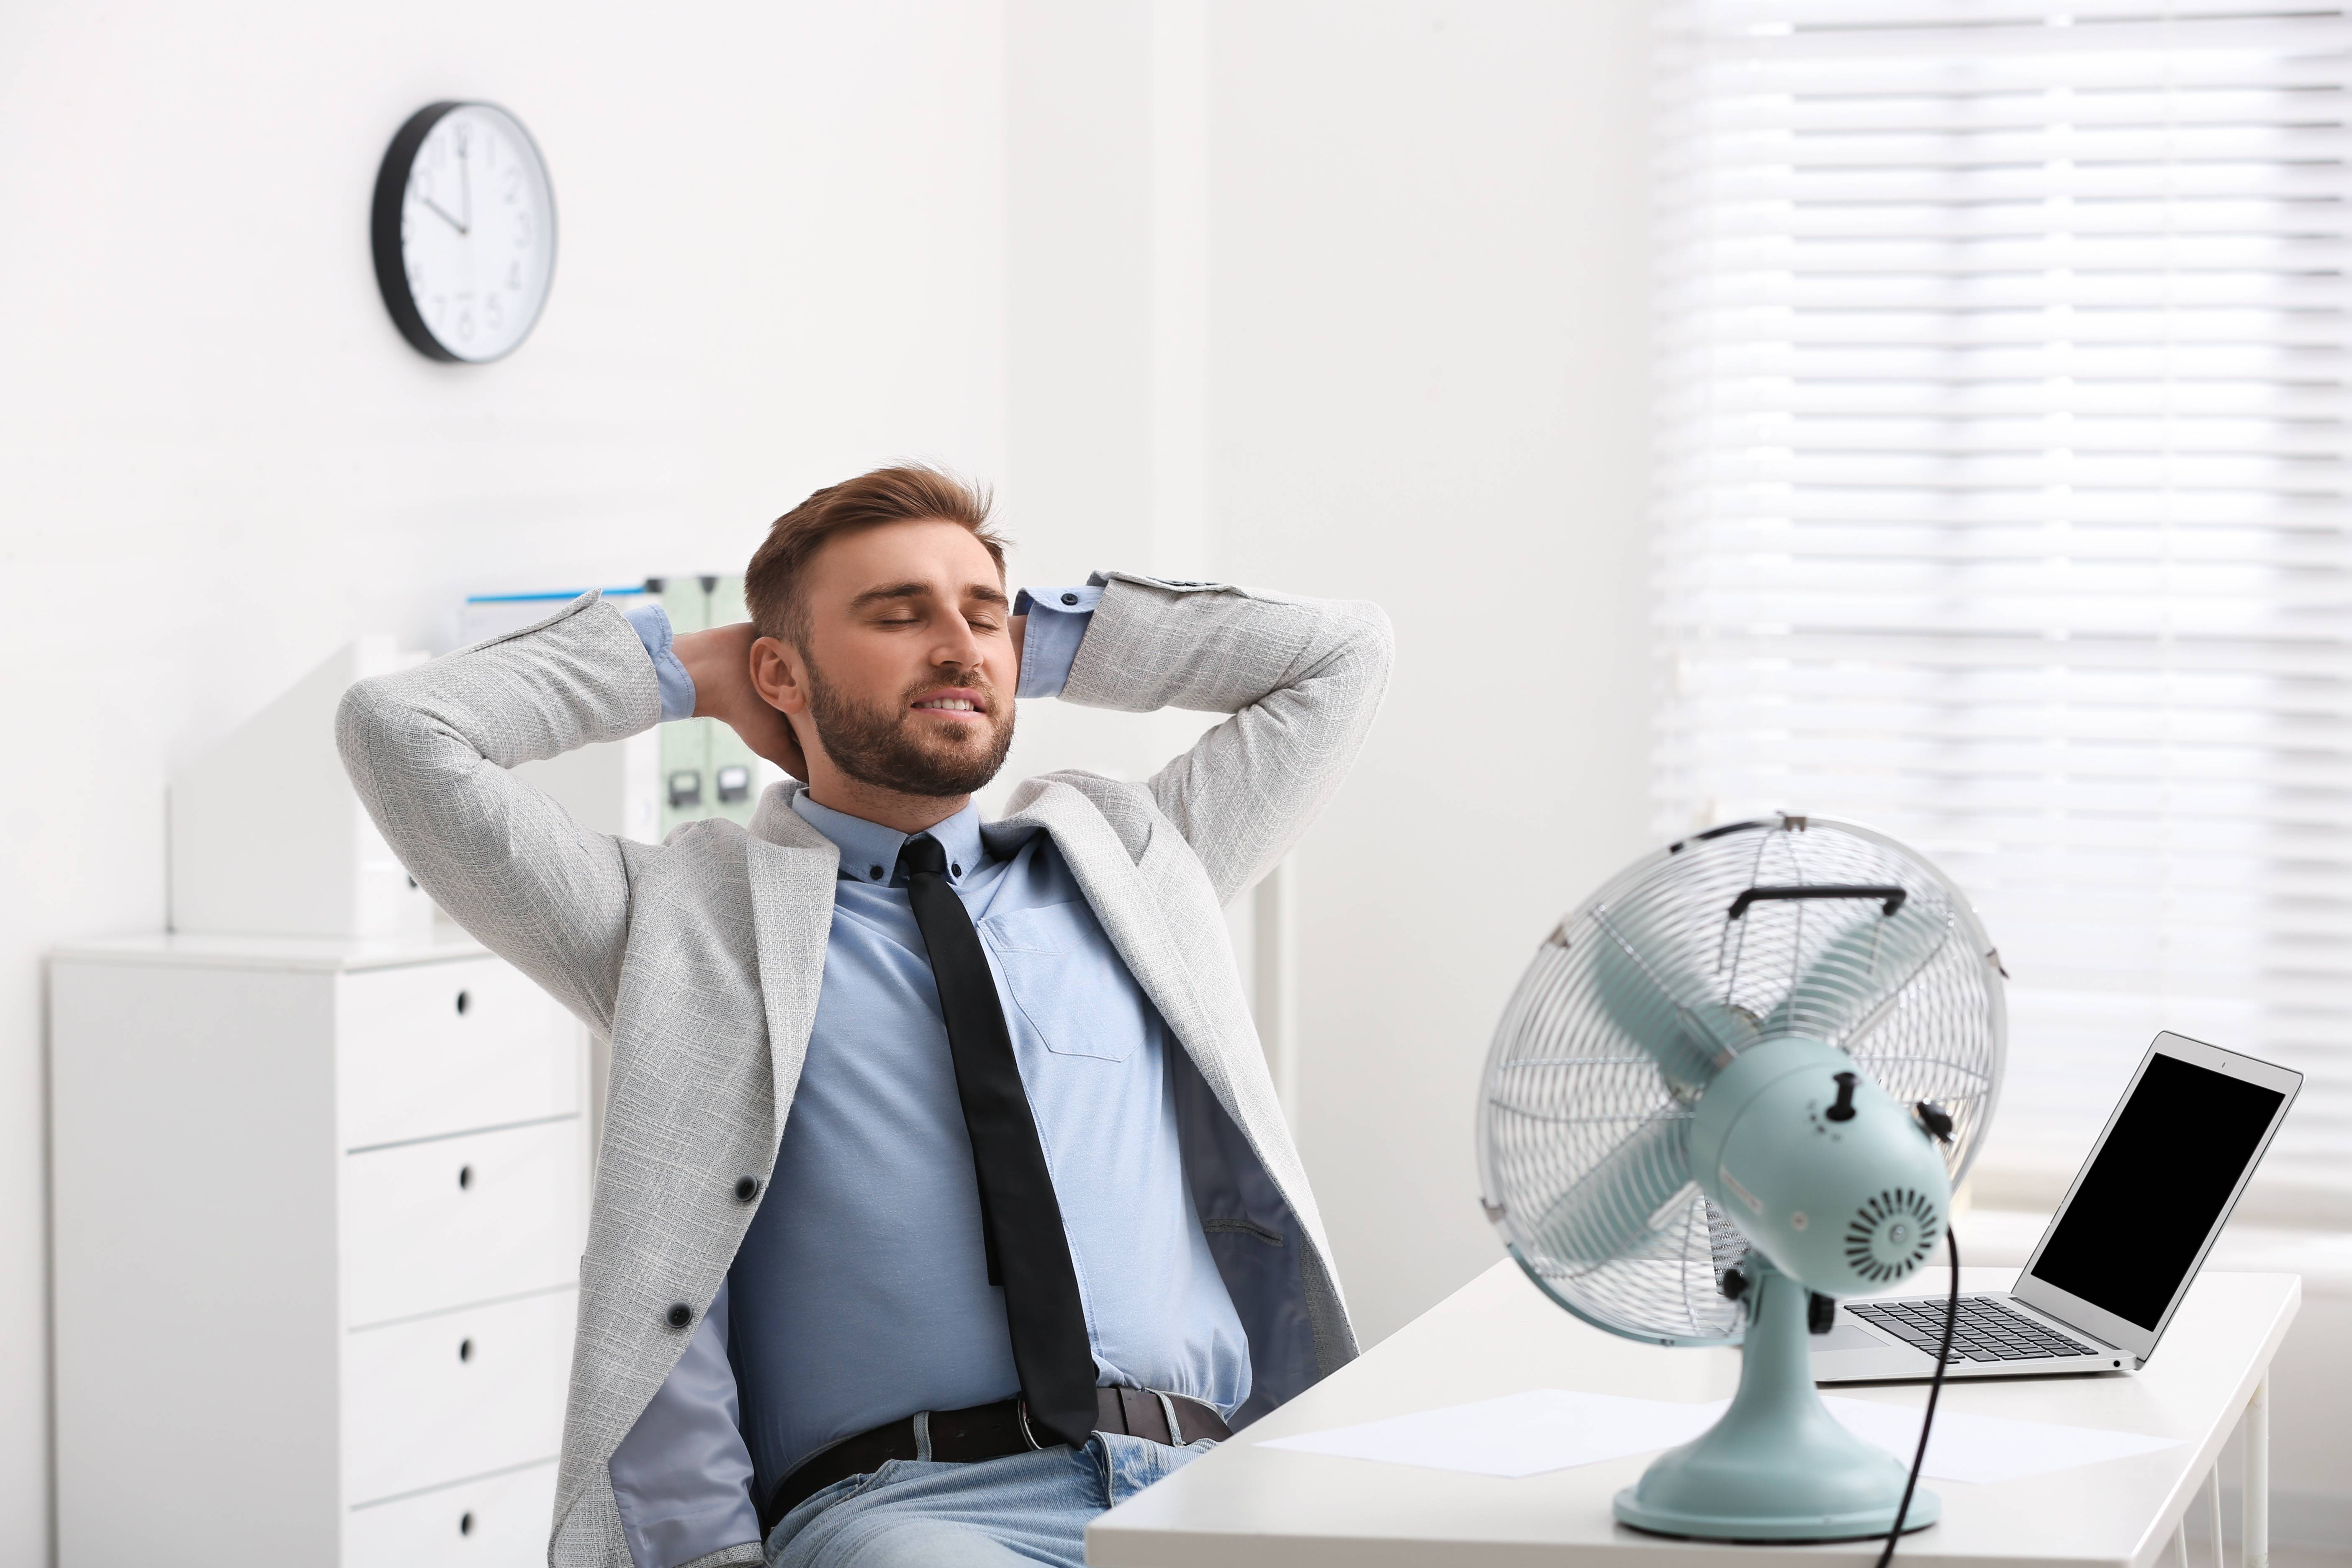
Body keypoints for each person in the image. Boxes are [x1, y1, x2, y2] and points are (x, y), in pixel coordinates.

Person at [337, 465, 1393, 1568]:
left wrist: (1050, 638)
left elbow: (1342, 655)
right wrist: (688, 670)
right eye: (897, 615)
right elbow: (401, 732)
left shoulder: (1131, 862)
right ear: (777, 671)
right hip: (915, 1517)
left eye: (984, 615)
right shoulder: (680, 926)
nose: (958, 644)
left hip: (1211, 1482)